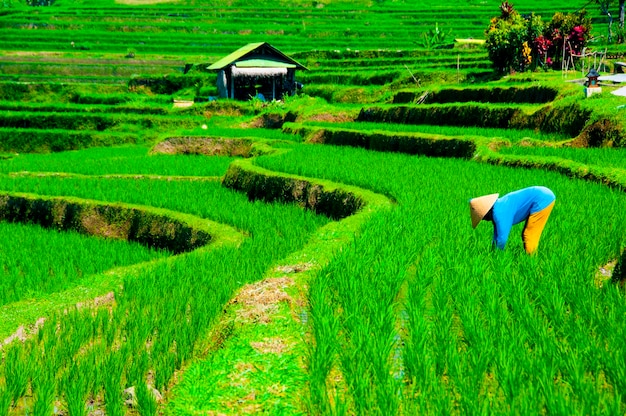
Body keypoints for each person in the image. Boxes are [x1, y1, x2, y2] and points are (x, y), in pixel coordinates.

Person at [469, 186, 555, 254]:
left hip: (543, 199)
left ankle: (532, 260)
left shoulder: (500, 213)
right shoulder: (497, 207)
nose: (484, 220)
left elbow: (502, 239)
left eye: (482, 217)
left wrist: (496, 255)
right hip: (542, 194)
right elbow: (496, 235)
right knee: (526, 234)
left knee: (529, 234)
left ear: (487, 212)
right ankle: (529, 257)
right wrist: (493, 250)